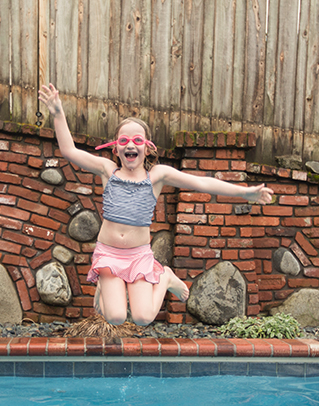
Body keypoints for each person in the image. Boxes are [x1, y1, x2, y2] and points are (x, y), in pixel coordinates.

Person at [38, 83, 274, 327]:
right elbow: (68, 150)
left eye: (137, 139)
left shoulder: (157, 176)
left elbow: (200, 183)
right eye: (124, 140)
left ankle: (165, 277)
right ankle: (102, 286)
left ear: (147, 147)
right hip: (109, 253)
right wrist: (58, 113)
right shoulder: (107, 170)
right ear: (115, 147)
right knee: (115, 317)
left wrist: (244, 193)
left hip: (138, 255)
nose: (131, 144)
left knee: (142, 318)